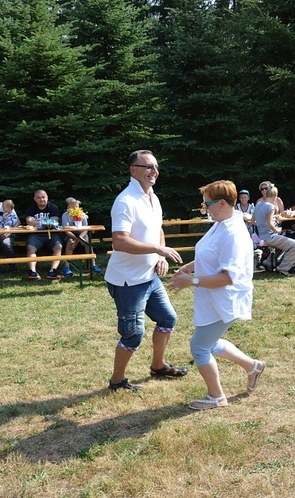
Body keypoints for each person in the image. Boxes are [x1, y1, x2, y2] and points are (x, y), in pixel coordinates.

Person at [167, 180, 265, 410]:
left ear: (222, 203)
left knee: (200, 347)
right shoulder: (221, 223)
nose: (205, 208)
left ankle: (216, 397)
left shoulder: (233, 232)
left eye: (206, 204)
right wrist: (189, 268)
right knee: (209, 343)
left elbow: (226, 277)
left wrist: (189, 281)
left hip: (225, 298)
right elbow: (210, 254)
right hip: (212, 297)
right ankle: (253, 366)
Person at [104, 150, 188, 393]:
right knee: (132, 334)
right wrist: (157, 249)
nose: (154, 171)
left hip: (149, 276)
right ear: (133, 170)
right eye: (148, 167)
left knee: (167, 318)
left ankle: (158, 365)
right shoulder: (126, 200)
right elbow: (119, 241)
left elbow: (157, 229)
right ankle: (117, 381)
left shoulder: (152, 197)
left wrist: (158, 254)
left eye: (156, 167)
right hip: (127, 281)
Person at [252, 185, 295, 276]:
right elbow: (270, 224)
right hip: (269, 237)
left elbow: (253, 221)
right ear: (275, 196)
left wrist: (262, 224)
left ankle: (268, 262)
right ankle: (283, 268)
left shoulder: (259, 204)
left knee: (285, 240)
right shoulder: (270, 207)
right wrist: (277, 230)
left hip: (261, 236)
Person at [25, 189, 65, 280]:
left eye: (43, 197)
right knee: (30, 247)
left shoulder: (52, 207)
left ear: (47, 197)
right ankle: (33, 272)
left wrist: (37, 222)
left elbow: (54, 221)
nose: (41, 199)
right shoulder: (31, 208)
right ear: (35, 199)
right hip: (36, 234)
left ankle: (53, 271)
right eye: (39, 198)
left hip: (52, 233)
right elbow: (28, 221)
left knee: (58, 246)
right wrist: (46, 222)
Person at [60, 197, 101, 277]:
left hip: (81, 234)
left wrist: (78, 240)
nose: (75, 208)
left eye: (76, 206)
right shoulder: (65, 215)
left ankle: (93, 264)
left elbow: (85, 229)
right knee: (70, 242)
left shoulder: (82, 214)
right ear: (68, 207)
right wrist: (75, 239)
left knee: (87, 241)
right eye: (72, 206)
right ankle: (66, 267)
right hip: (70, 235)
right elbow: (66, 230)